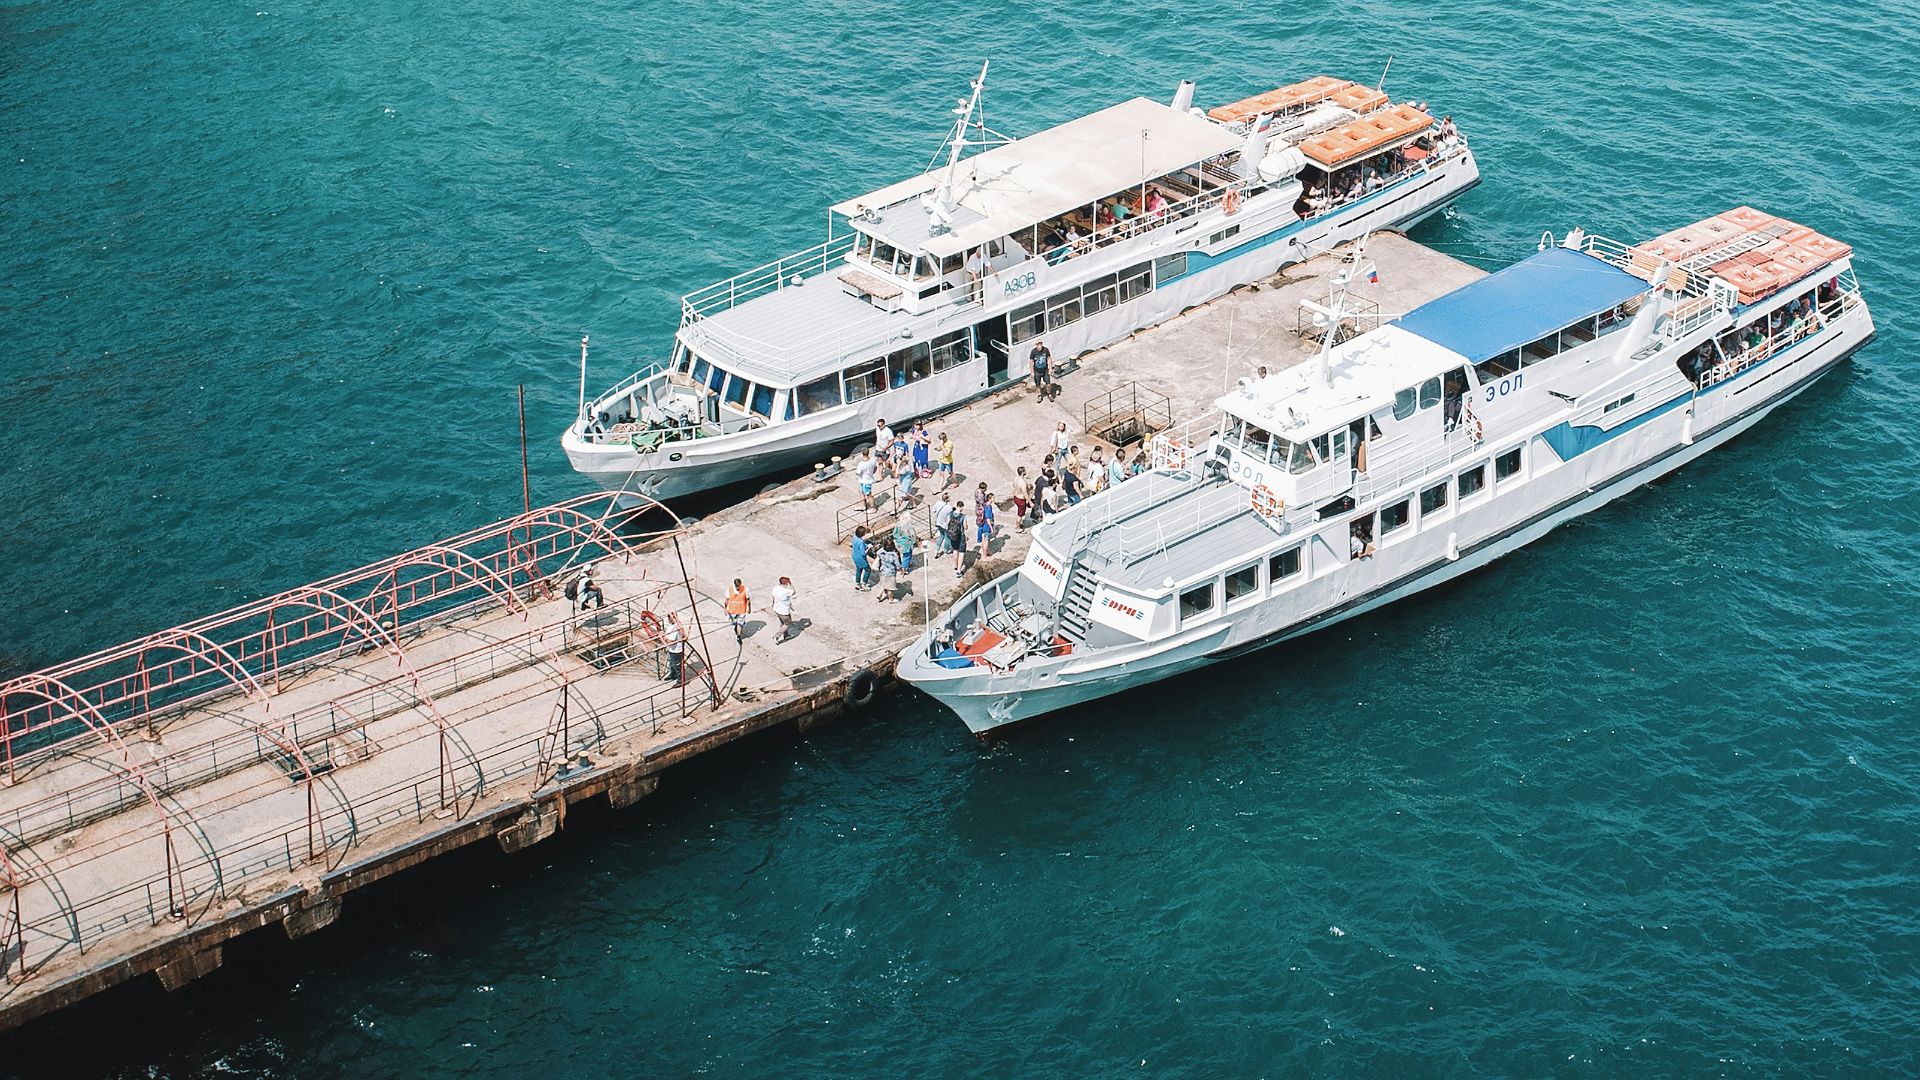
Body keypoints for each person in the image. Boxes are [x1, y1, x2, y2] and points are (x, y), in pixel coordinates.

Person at [769, 577, 796, 643]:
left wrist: (773, 605)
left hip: (776, 609)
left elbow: (773, 597)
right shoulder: (786, 591)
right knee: (788, 623)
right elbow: (794, 592)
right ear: (786, 583)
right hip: (784, 611)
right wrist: (791, 583)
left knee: (782, 623)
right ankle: (776, 636)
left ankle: (786, 635)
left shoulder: (776, 588)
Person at [947, 502, 969, 577]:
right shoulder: (963, 516)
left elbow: (947, 523)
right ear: (961, 507)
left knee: (955, 550)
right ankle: (959, 571)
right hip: (961, 536)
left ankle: (955, 566)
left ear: (956, 506)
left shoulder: (950, 514)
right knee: (961, 552)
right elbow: (965, 527)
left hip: (952, 535)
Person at [663, 612, 686, 684]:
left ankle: (680, 680)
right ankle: (672, 674)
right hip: (671, 649)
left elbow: (671, 641)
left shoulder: (676, 627)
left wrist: (663, 637)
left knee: (677, 665)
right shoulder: (671, 625)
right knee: (671, 663)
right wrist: (665, 637)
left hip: (676, 650)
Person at [850, 525, 873, 591]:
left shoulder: (855, 537)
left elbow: (861, 545)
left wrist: (865, 545)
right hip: (861, 559)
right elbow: (863, 553)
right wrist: (869, 548)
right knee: (868, 570)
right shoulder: (861, 542)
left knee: (859, 569)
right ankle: (864, 584)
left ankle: (857, 583)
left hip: (855, 556)